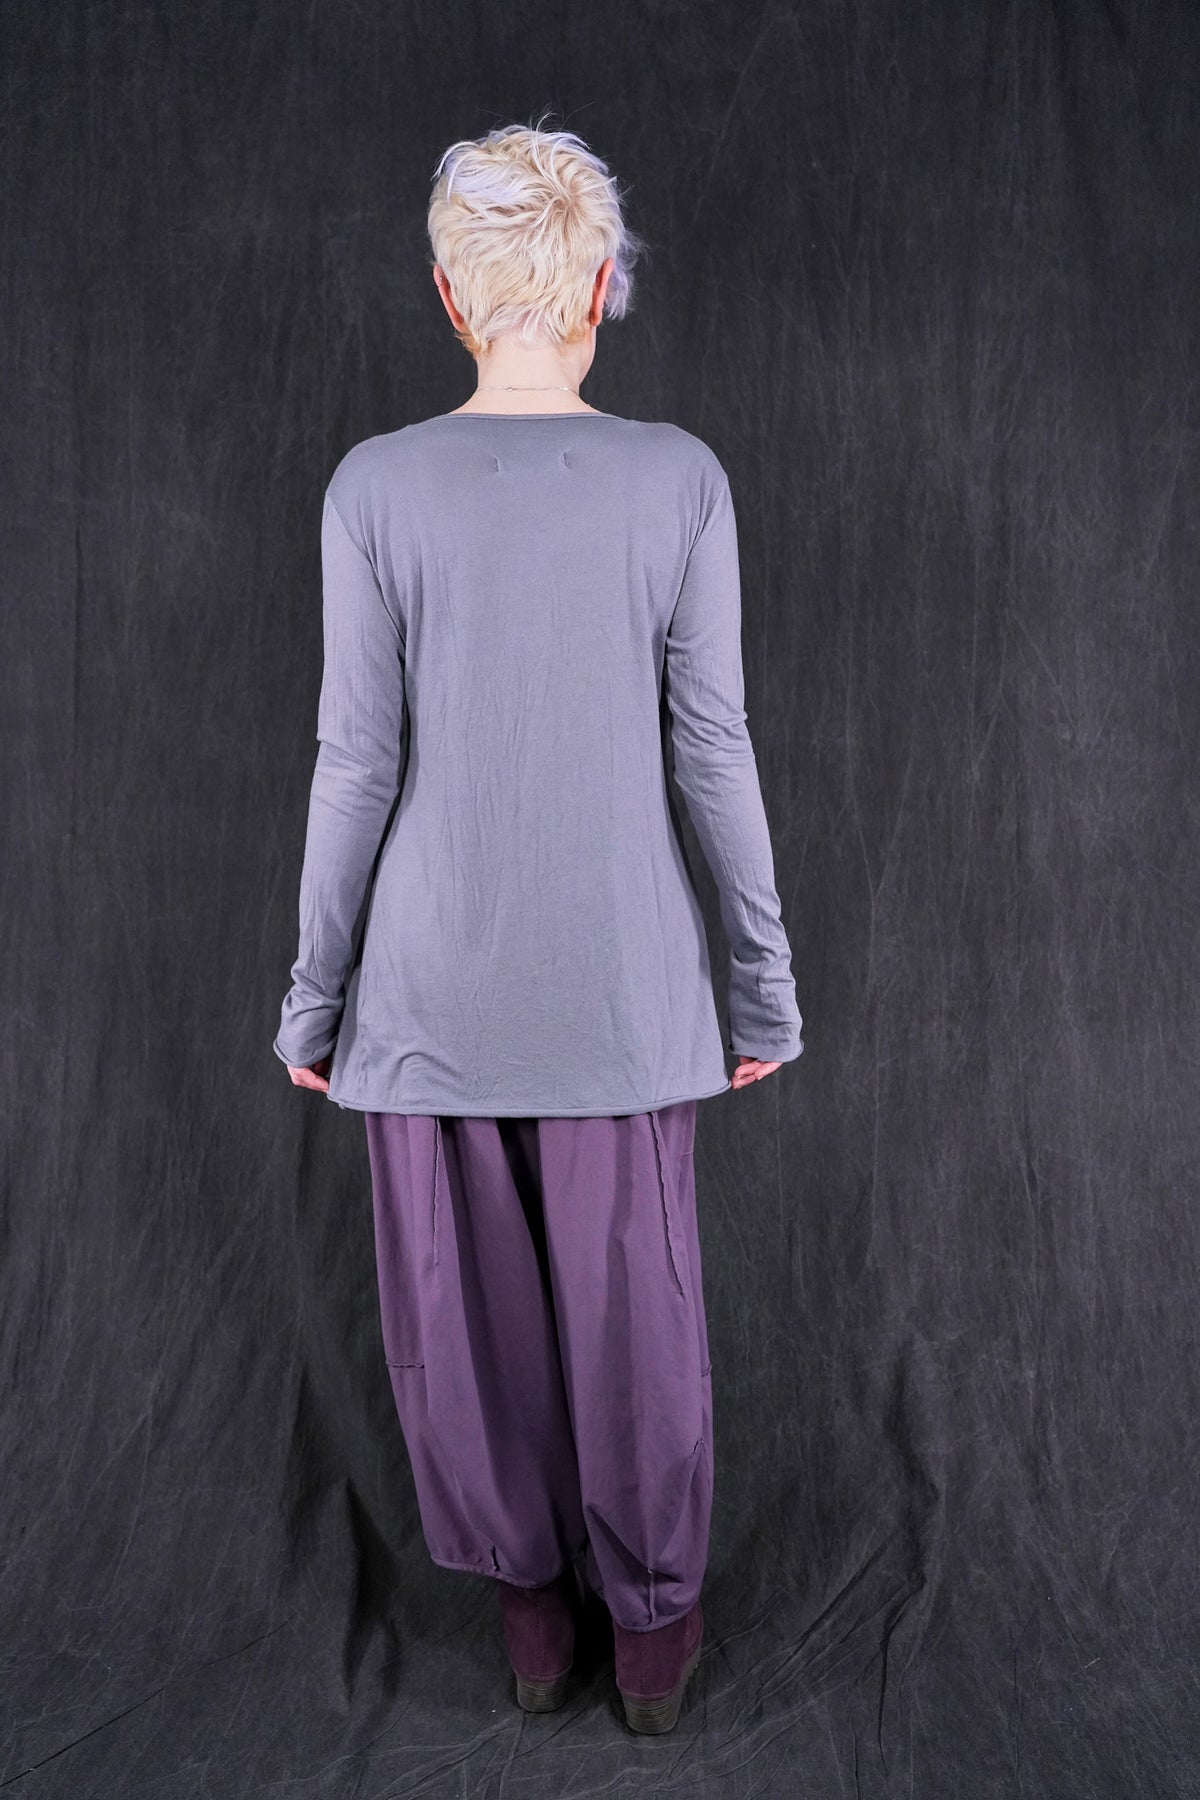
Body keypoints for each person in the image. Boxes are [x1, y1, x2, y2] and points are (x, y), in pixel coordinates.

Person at [272, 116, 804, 1736]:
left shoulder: (373, 487)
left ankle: (532, 1628)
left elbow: (355, 761)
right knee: (640, 1337)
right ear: (594, 289)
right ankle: (654, 1644)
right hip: (623, 1003)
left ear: (452, 293)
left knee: (465, 1337)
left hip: (426, 999)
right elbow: (712, 747)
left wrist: (313, 1000)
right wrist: (762, 989)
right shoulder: (680, 479)